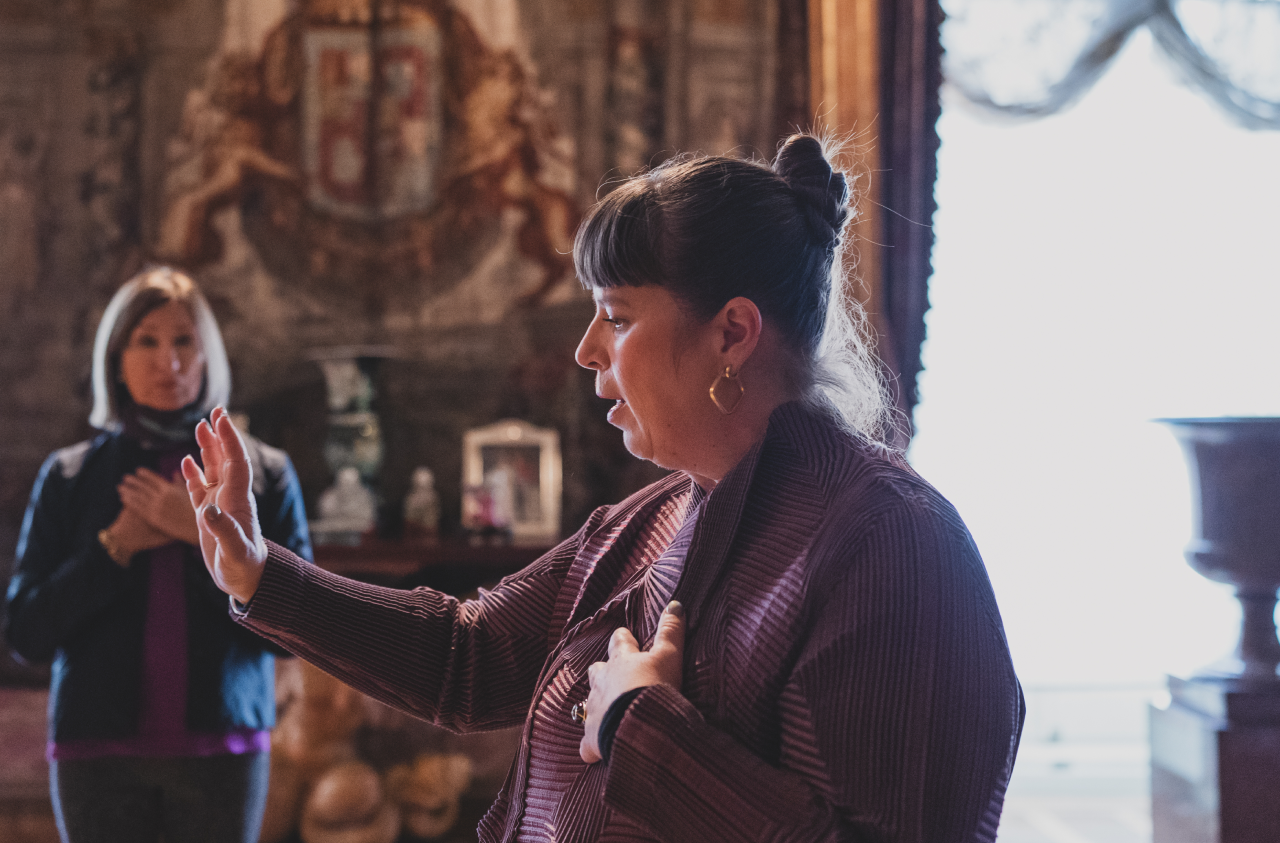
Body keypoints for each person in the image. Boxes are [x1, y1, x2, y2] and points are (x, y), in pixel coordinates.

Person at [185, 135, 1023, 842]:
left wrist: (641, 726)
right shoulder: (650, 521)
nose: (587, 349)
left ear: (732, 332)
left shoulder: (893, 544)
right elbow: (469, 657)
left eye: (617, 315)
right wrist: (263, 577)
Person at [4, 267, 312, 843]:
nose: (167, 362)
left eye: (183, 342)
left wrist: (199, 537)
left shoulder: (263, 474)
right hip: (95, 753)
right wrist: (114, 547)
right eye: (146, 341)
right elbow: (27, 633)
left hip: (225, 749)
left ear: (207, 357)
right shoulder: (69, 478)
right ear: (115, 358)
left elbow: (295, 631)